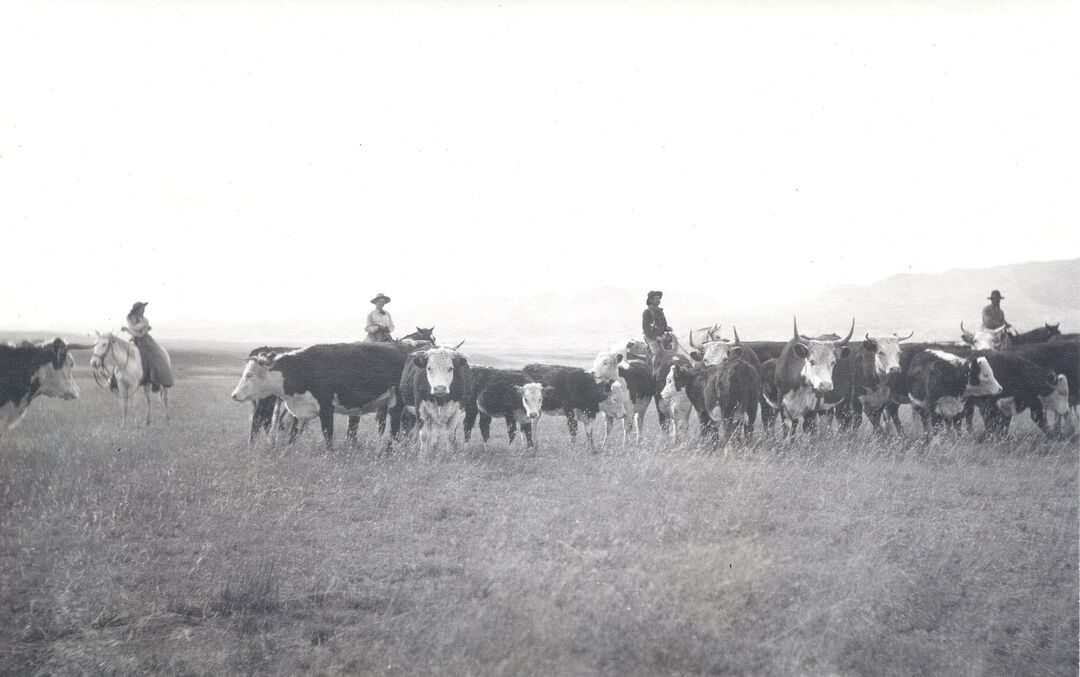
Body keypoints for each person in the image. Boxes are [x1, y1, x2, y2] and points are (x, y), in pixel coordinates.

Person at [121, 301, 174, 390]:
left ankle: (155, 380)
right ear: (137, 310)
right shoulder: (129, 317)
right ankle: (115, 380)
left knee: (156, 355)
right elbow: (135, 331)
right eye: (142, 309)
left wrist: (128, 330)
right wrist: (138, 329)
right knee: (121, 354)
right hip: (134, 340)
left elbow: (140, 335)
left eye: (144, 309)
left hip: (145, 341)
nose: (143, 311)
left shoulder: (145, 320)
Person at [642, 290, 672, 356]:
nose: (659, 300)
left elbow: (664, 325)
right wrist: (655, 337)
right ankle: (655, 366)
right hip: (652, 338)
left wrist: (667, 328)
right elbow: (645, 329)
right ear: (651, 300)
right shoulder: (646, 312)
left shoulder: (660, 311)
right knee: (657, 353)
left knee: (672, 349)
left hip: (662, 336)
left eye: (659, 298)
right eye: (656, 298)